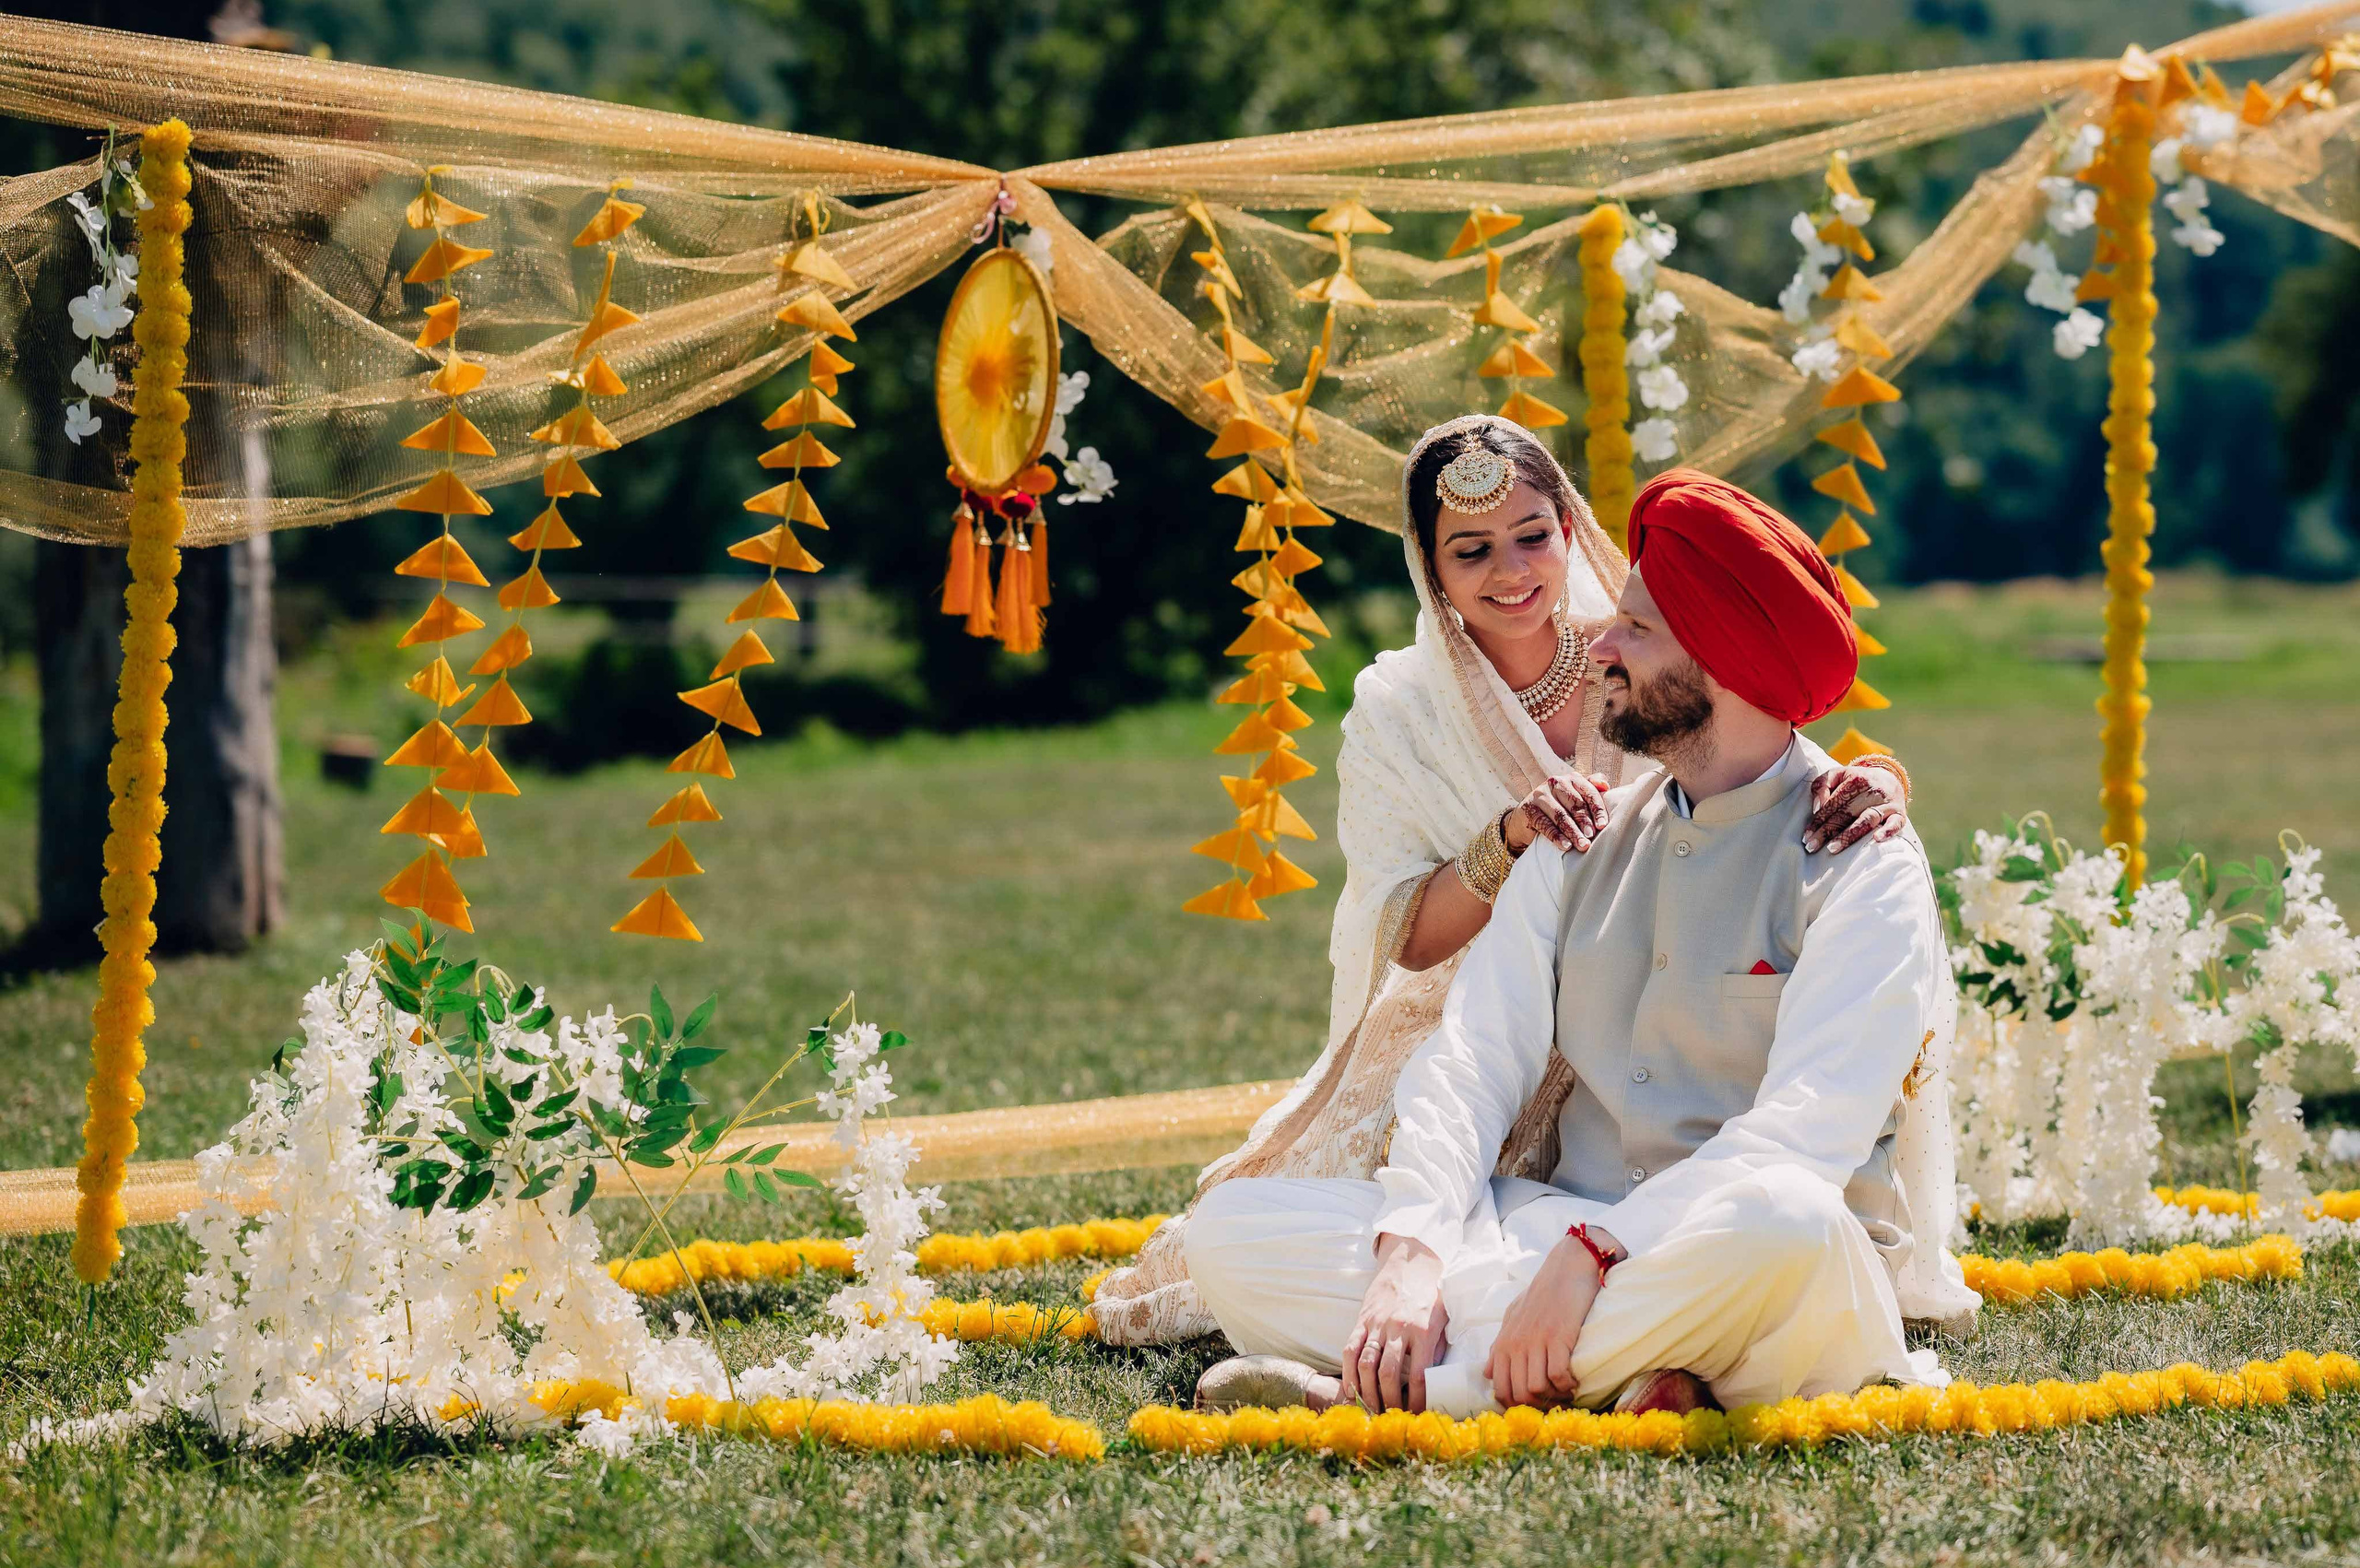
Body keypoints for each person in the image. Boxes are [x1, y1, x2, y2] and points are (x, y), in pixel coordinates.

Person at [1088, 417, 1935, 1347]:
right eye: (1471, 550)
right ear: (1430, 566)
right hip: (1529, 1107)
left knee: (1784, 1221)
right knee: (1238, 1232)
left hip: (1711, 1187)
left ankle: (1449, 1369)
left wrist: (1882, 777)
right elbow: (1442, 1002)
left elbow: (1756, 723)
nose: (1513, 571)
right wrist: (1414, 1250)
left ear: (1569, 529)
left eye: (1533, 535)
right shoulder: (1458, 748)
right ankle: (1630, 1359)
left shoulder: (1820, 820)